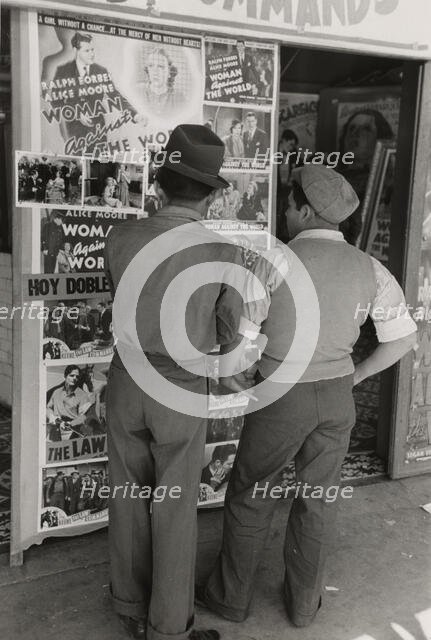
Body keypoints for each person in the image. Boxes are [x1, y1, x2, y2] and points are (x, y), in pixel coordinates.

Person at [197, 165, 417, 627]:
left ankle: (231, 599)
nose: (287, 213)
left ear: (304, 210)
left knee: (252, 494)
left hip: (281, 396)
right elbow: (401, 339)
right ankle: (303, 606)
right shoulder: (369, 267)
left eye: (290, 205)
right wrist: (354, 376)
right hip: (337, 398)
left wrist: (239, 380)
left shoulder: (272, 264)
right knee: (318, 500)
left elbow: (240, 336)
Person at [104, 124, 244, 640]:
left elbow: (121, 297)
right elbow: (230, 332)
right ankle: (168, 627)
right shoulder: (222, 251)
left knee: (126, 491)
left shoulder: (119, 236)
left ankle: (127, 603)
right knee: (174, 505)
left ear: (160, 184)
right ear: (210, 196)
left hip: (126, 380)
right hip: (180, 388)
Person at [50, 32, 139, 151]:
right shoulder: (63, 71)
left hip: (98, 130)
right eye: (87, 51)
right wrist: (76, 113)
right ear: (76, 51)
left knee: (99, 165)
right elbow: (55, 100)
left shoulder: (101, 71)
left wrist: (134, 113)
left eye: (92, 50)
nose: (92, 54)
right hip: (74, 130)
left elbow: (114, 95)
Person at [46, 365, 95, 441]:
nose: (75, 378)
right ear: (65, 376)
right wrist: (52, 417)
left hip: (72, 432)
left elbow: (84, 416)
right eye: (72, 375)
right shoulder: (56, 392)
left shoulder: (83, 396)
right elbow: (48, 408)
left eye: (77, 377)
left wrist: (71, 424)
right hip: (55, 433)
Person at [139, 48, 186, 118]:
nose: (155, 71)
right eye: (151, 66)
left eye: (160, 66)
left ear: (170, 72)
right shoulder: (137, 91)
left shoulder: (179, 98)